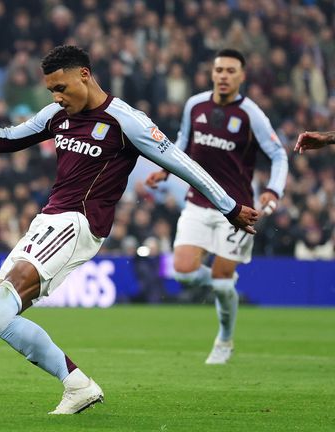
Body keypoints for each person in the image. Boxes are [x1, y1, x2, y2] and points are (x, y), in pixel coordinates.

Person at [0, 45, 258, 415]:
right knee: (1, 312)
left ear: (85, 75)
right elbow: (11, 138)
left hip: (80, 223)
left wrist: (228, 207)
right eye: (51, 91)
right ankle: (77, 384)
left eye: (62, 88)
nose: (57, 97)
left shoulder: (127, 121)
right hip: (48, 220)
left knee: (9, 294)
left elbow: (181, 162)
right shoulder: (56, 115)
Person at [145, 49, 288, 364]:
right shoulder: (194, 105)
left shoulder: (252, 115)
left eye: (230, 71)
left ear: (242, 76)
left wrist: (273, 190)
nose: (223, 75)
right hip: (197, 202)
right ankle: (225, 284)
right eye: (219, 70)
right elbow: (182, 143)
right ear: (212, 74)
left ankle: (224, 339)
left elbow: (278, 154)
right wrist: (165, 169)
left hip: (237, 210)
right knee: (183, 273)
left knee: (223, 282)